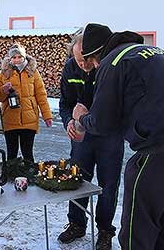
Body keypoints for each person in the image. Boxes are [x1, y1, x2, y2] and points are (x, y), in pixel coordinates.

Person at [71, 23, 164, 250]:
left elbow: (103, 123)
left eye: (91, 61)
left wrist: (83, 117)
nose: (93, 67)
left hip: (162, 151)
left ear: (95, 54)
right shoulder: (154, 52)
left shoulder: (112, 62)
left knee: (136, 233)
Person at [58, 33, 124, 249]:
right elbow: (65, 103)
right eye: (80, 60)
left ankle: (105, 230)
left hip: (109, 137)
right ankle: (77, 224)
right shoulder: (70, 69)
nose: (85, 64)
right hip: (82, 137)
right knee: (76, 181)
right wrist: (68, 121)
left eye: (88, 59)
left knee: (109, 185)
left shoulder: (108, 68)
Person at [0, 43, 53, 162]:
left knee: (28, 154)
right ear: (10, 59)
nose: (17, 60)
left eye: (19, 57)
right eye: (14, 57)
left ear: (24, 57)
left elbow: (41, 95)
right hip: (10, 120)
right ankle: (11, 177)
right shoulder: (4, 73)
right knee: (11, 154)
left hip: (29, 120)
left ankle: (29, 177)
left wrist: (47, 116)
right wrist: (4, 90)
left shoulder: (33, 72)